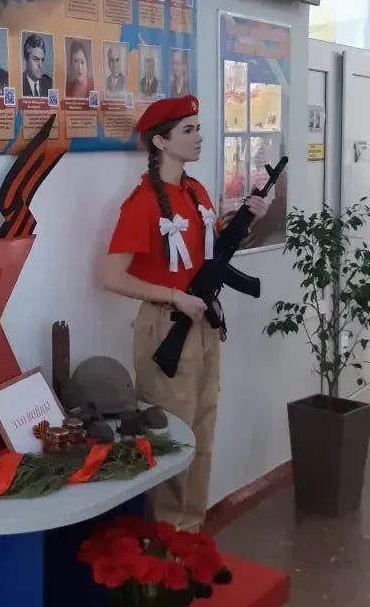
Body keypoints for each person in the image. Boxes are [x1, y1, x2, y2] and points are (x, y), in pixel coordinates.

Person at [98, 95, 269, 531]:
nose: (198, 137)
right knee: (172, 437)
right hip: (166, 324)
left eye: (197, 128)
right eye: (188, 130)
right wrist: (174, 296)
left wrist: (247, 221)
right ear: (160, 141)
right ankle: (166, 541)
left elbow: (207, 256)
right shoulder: (141, 203)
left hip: (202, 321)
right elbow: (111, 276)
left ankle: (190, 535)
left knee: (202, 432)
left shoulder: (195, 192)